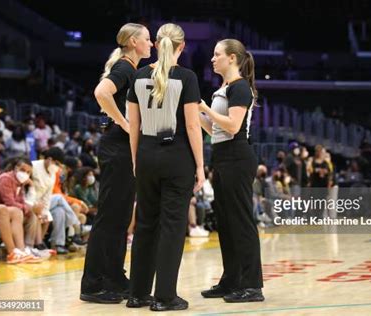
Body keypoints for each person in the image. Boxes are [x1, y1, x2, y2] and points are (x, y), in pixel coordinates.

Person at [127, 23, 204, 311]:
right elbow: (193, 125)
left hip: (146, 153)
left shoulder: (138, 75)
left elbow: (133, 124)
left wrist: (136, 158)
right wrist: (200, 165)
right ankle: (165, 297)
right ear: (181, 47)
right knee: (172, 227)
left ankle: (137, 294)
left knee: (145, 225)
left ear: (157, 44)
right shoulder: (187, 77)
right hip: (177, 156)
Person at [80, 22, 153, 304]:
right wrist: (123, 122)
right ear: (134, 42)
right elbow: (101, 93)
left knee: (121, 217)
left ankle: (113, 275)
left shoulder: (131, 69)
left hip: (123, 149)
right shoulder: (124, 67)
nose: (151, 44)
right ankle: (93, 283)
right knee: (110, 217)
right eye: (147, 39)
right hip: (116, 148)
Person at [198, 39, 264, 303]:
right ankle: (231, 281)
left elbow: (234, 126)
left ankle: (252, 285)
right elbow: (216, 130)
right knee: (225, 223)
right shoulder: (224, 88)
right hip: (222, 155)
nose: (213, 59)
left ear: (232, 58)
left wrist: (204, 109)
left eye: (217, 55)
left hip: (237, 157)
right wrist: (196, 115)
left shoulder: (240, 88)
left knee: (242, 222)